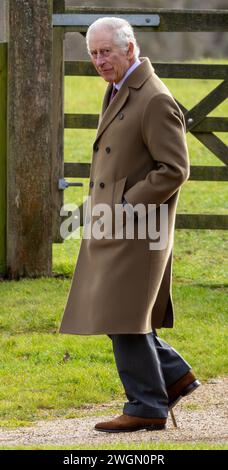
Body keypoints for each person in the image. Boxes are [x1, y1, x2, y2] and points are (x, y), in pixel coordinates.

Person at [59, 17, 200, 433]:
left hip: (138, 227)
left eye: (107, 52)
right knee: (113, 310)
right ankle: (173, 375)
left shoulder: (153, 98)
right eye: (94, 54)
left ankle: (146, 405)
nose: (100, 61)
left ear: (130, 49)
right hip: (112, 224)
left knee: (122, 314)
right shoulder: (119, 88)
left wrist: (125, 204)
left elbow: (174, 169)